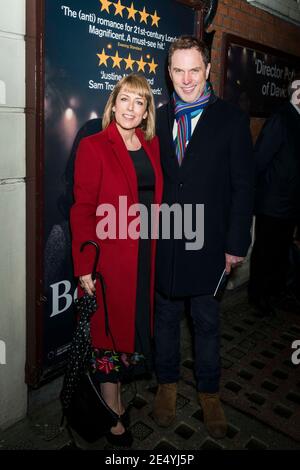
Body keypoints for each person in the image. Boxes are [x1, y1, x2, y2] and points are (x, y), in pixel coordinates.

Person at [152, 36, 254, 439]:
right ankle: (167, 384)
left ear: (208, 70)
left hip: (209, 243)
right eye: (179, 70)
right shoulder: (158, 118)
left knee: (206, 322)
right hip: (166, 240)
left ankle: (209, 393)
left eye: (195, 69)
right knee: (165, 319)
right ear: (169, 72)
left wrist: (235, 244)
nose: (187, 78)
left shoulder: (230, 119)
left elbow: (243, 186)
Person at [70, 73, 163, 446]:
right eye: (124, 99)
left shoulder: (150, 147)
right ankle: (112, 415)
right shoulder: (94, 146)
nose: (130, 108)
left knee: (129, 331)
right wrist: (84, 267)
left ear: (146, 112)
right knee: (107, 335)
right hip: (108, 262)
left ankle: (119, 399)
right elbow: (82, 210)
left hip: (142, 259)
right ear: (113, 103)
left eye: (139, 102)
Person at [248, 73, 300, 316]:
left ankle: (276, 293)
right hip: (272, 203)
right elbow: (259, 160)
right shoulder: (281, 118)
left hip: (291, 203)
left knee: (280, 252)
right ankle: (258, 297)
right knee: (266, 252)